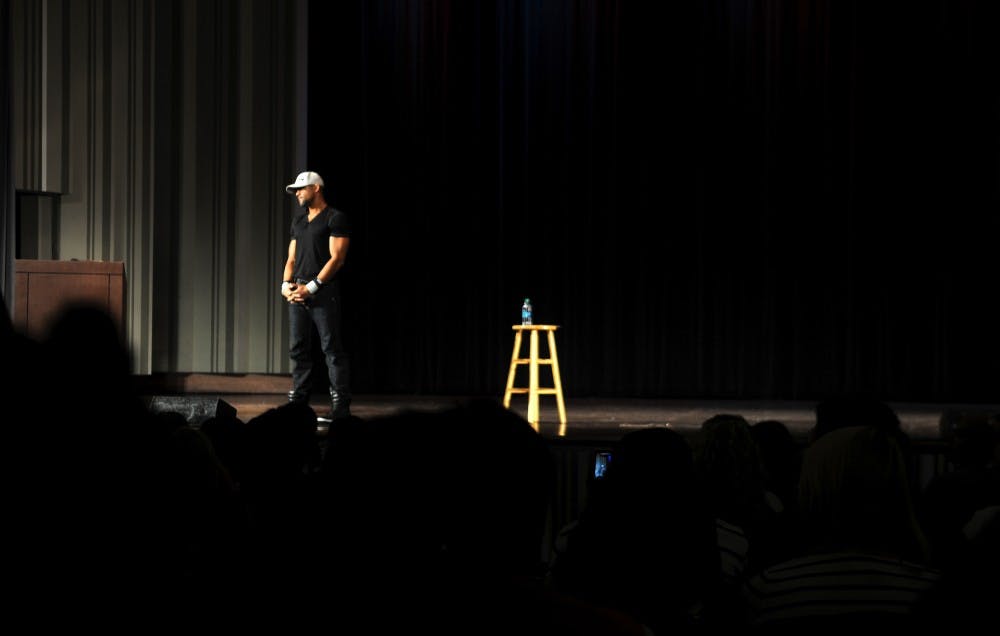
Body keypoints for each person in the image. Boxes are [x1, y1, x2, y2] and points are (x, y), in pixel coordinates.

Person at [281, 170, 352, 421]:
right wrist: (286, 284)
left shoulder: (335, 217)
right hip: (297, 293)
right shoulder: (298, 222)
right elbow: (291, 257)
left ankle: (340, 408)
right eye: (295, 190)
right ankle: (299, 406)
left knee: (331, 349)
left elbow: (338, 258)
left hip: (322, 293)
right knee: (298, 349)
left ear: (316, 189)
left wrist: (311, 287)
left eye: (301, 188)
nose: (297, 193)